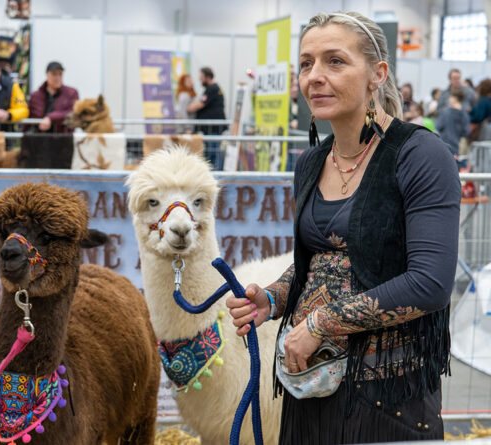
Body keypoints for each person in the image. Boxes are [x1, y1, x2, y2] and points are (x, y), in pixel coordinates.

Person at [227, 11, 459, 444]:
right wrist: (273, 300)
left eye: (335, 61)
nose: (314, 76)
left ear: (377, 74)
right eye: (306, 63)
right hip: (309, 386)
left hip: (387, 396)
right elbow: (317, 260)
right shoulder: (312, 161)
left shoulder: (419, 155)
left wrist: (321, 323)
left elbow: (430, 284)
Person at [188, 67, 227, 169]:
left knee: (214, 152)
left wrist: (189, 107)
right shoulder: (214, 89)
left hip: (213, 128)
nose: (200, 79)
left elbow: (200, 104)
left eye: (201, 77)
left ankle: (217, 175)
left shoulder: (212, 89)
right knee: (212, 152)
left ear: (207, 77)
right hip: (212, 128)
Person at [27, 61, 78, 133]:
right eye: (54, 74)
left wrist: (50, 118)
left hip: (62, 138)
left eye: (60, 74)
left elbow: (72, 112)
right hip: (39, 138)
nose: (58, 78)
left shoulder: (71, 93)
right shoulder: (35, 96)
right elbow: (29, 118)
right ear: (47, 75)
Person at [436, 87, 470, 156]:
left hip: (445, 146)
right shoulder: (464, 114)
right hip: (458, 148)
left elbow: (438, 126)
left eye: (450, 97)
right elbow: (466, 132)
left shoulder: (446, 112)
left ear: (455, 98)